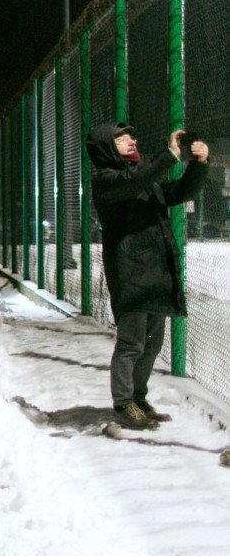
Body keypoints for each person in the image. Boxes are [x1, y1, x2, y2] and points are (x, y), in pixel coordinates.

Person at [89, 123, 209, 429]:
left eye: (131, 135)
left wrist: (199, 165)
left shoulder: (141, 177)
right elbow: (135, 178)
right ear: (106, 148)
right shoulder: (107, 180)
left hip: (155, 271)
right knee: (131, 343)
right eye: (121, 139)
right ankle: (123, 404)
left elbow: (179, 191)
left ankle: (139, 399)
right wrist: (169, 155)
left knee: (152, 344)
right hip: (129, 272)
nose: (132, 140)